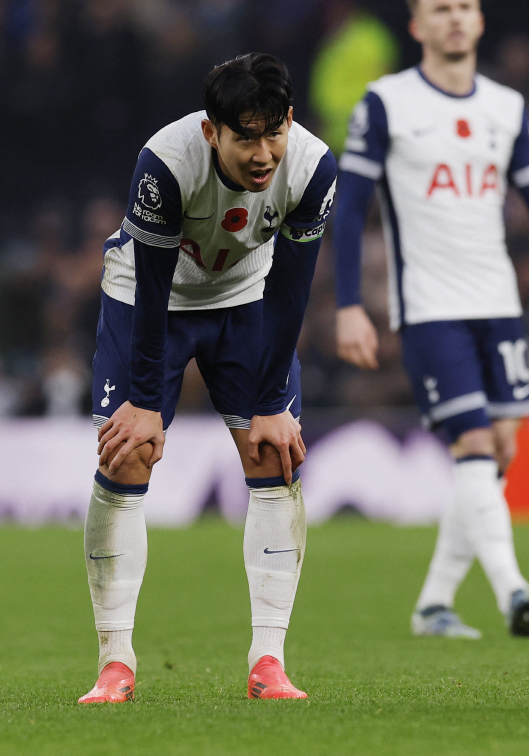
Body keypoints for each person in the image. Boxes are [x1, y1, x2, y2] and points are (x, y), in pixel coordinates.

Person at [333, 0, 529, 639]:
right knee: (475, 444)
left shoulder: (505, 108)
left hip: (497, 301)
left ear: (479, 20)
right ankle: (513, 590)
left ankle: (433, 604)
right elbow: (350, 209)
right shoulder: (386, 103)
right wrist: (347, 304)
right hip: (429, 306)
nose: (454, 18)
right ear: (418, 26)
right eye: (440, 9)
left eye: (464, 7)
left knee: (498, 451)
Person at [78, 53, 336, 703]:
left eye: (272, 131)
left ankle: (268, 662)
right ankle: (115, 661)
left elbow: (291, 290)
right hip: (149, 297)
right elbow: (155, 280)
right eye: (244, 136)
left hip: (247, 300)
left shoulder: (311, 167)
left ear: (290, 121)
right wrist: (143, 400)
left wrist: (274, 398)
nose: (261, 152)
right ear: (210, 131)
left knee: (275, 455)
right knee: (129, 453)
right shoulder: (165, 164)